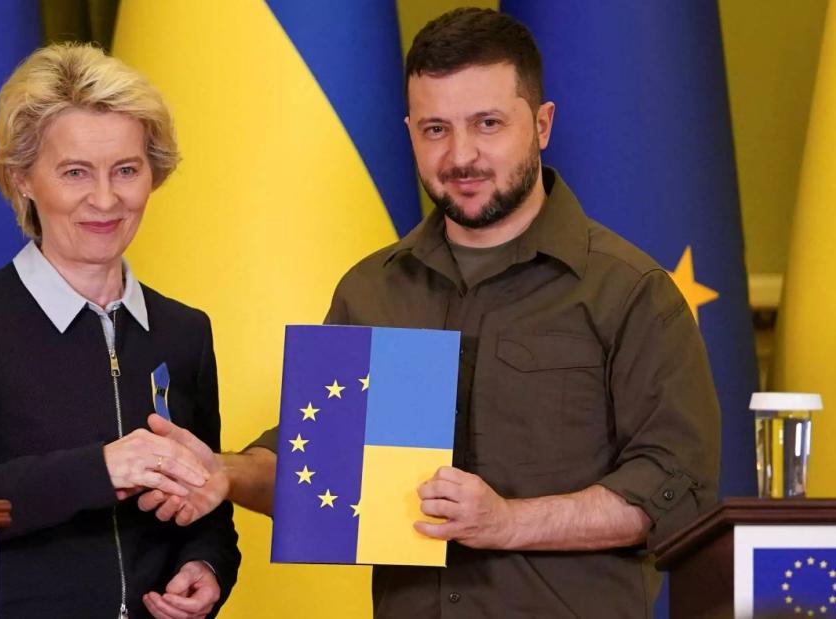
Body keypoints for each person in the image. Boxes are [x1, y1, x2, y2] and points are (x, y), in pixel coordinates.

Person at [140, 8, 720, 618]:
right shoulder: (372, 290)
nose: (461, 155)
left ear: (542, 124)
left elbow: (675, 487)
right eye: (435, 129)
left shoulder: (629, 291)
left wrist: (507, 521)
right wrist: (224, 472)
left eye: (487, 124)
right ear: (410, 131)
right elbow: (318, 465)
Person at [0, 43, 239, 619]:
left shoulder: (184, 331)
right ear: (22, 180)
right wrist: (97, 470)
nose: (105, 199)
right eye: (75, 172)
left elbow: (207, 499)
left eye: (126, 170)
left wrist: (206, 565)